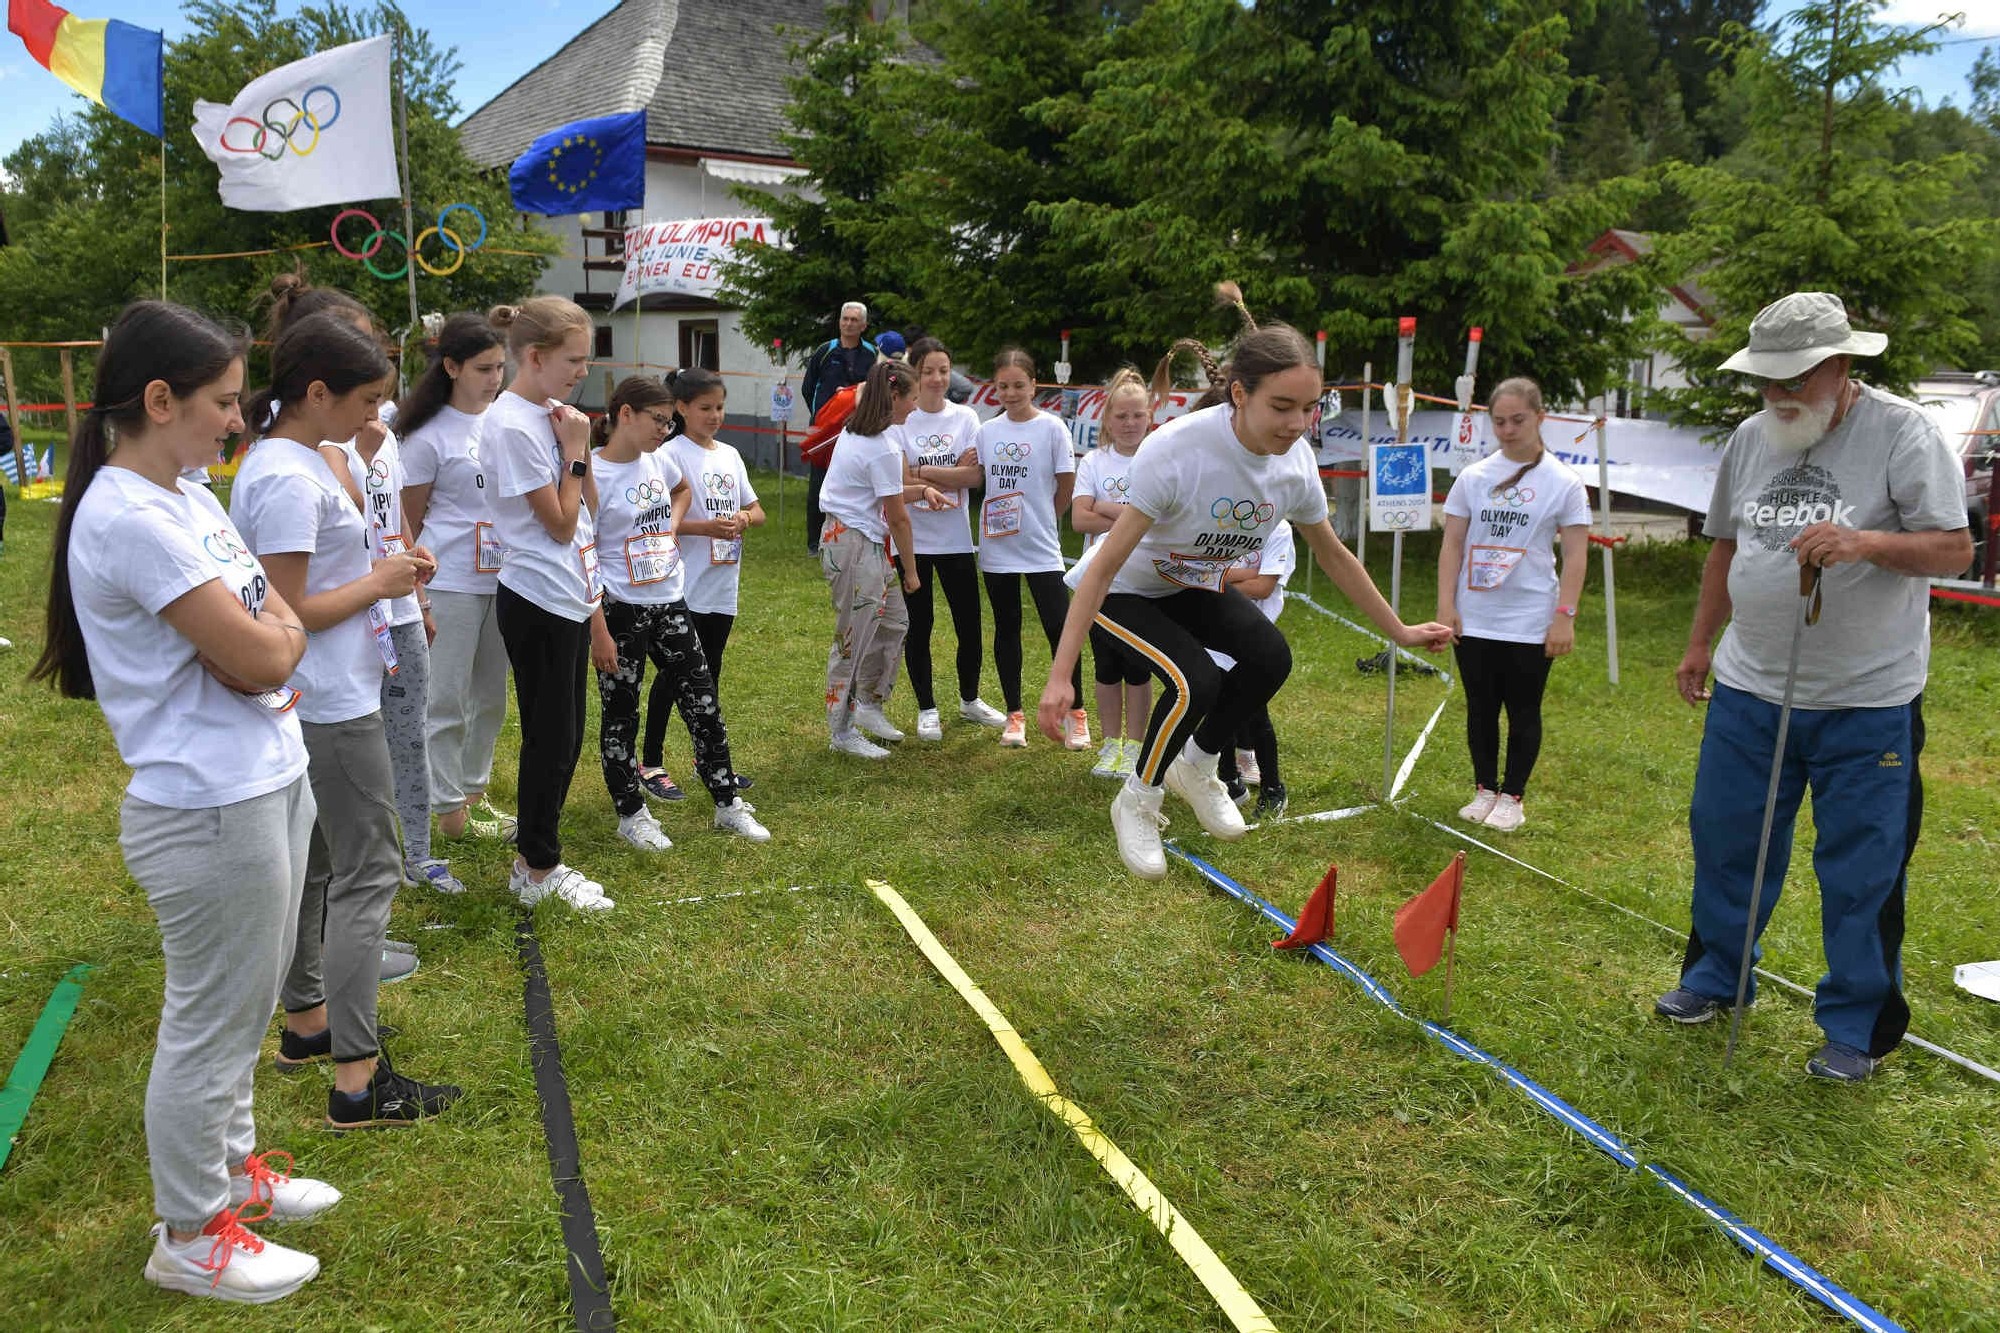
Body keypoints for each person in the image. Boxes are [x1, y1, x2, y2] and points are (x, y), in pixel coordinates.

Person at [31, 301, 334, 1302]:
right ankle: (192, 1231)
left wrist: (275, 643)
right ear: (159, 401)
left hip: (263, 773)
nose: (239, 419)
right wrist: (275, 644)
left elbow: (275, 624)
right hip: (208, 805)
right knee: (211, 1021)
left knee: (245, 1006)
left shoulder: (191, 494)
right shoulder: (131, 517)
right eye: (224, 401)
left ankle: (233, 1175)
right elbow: (268, 646)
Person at [1657, 291, 1971, 1082]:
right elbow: (1725, 548)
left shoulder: (1904, 432)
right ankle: (1716, 976)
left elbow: (1955, 549)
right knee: (1726, 838)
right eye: (1765, 379)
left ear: (1840, 365)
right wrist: (1699, 643)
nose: (1776, 392)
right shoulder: (1751, 437)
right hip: (1749, 688)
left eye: (1792, 377)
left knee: (1863, 868)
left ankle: (1855, 1026)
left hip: (1868, 701)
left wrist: (1863, 542)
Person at [1036, 296, 1451, 881]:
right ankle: (1138, 800)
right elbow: (1102, 567)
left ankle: (1196, 765)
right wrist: (1061, 676)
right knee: (1195, 681)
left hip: (1189, 582)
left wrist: (1400, 631)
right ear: (1239, 394)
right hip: (1121, 589)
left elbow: (1333, 555)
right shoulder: (1176, 451)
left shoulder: (1295, 464)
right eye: (1281, 406)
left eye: (1308, 408)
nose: (1296, 423)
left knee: (1269, 657)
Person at [231, 310, 462, 1129]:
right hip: (329, 705)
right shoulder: (288, 478)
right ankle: (358, 1081)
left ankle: (308, 1023)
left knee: (322, 866)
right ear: (317, 392)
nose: (375, 417)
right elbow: (286, 609)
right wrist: (382, 582)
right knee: (369, 873)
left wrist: (389, 566)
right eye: (366, 400)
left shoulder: (301, 461)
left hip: (331, 693)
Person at [589, 375, 770, 847]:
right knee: (621, 713)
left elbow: (683, 489)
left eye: (669, 422)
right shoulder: (593, 473)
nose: (664, 430)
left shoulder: (659, 460)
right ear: (625, 414)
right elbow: (580, 554)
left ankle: (727, 802)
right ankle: (632, 814)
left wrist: (668, 527)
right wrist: (597, 628)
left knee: (702, 700)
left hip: (670, 600)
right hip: (619, 607)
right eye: (658, 420)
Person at [483, 297, 615, 912]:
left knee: (566, 736)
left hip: (566, 593)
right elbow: (561, 524)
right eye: (574, 360)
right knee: (549, 739)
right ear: (534, 357)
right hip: (536, 596)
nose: (583, 371)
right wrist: (576, 450)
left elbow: (590, 506)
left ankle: (535, 861)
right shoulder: (511, 424)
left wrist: (577, 445)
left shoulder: (552, 416)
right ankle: (537, 868)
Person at [323, 367, 465, 895]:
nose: (378, 411)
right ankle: (362, 859)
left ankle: (418, 854)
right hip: (350, 615)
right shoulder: (327, 446)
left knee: (410, 734)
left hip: (399, 611)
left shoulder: (384, 439)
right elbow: (347, 512)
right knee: (359, 743)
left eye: (381, 398)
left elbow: (394, 516)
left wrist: (420, 593)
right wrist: (361, 452)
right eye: (369, 399)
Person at [1435, 376, 1591, 833]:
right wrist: (1446, 605)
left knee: (1523, 709)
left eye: (1517, 420)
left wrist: (1565, 616)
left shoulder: (1564, 482)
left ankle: (1513, 796)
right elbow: (1452, 544)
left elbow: (1577, 555)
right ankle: (1485, 788)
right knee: (1480, 707)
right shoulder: (1474, 477)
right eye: (1499, 421)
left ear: (1540, 417)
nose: (1507, 430)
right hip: (1475, 615)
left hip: (1531, 617)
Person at [399, 313, 518, 844]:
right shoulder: (428, 436)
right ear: (451, 367)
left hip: (506, 578)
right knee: (445, 697)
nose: (495, 378)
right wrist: (420, 593)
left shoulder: (506, 422)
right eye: (483, 369)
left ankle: (473, 793)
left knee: (491, 697)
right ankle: (447, 808)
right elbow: (408, 522)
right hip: (450, 582)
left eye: (499, 367)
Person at [640, 366, 766, 801]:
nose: (714, 416)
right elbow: (659, 521)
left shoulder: (729, 455)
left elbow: (757, 510)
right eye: (705, 408)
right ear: (681, 408)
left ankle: (707, 759)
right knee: (673, 676)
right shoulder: (669, 454)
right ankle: (650, 762)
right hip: (682, 586)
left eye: (720, 407)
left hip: (722, 585)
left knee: (709, 675)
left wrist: (743, 517)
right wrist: (705, 528)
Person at [820, 358, 945, 757]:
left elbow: (884, 489)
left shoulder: (861, 433)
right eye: (912, 397)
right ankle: (841, 732)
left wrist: (921, 489)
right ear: (894, 395)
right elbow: (898, 517)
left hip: (859, 543)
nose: (915, 405)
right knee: (852, 639)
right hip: (853, 545)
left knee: (893, 623)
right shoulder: (881, 446)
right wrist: (911, 571)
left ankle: (868, 705)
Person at [899, 336, 1008, 741]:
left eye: (943, 370)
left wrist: (922, 472)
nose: (937, 378)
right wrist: (945, 474)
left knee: (969, 624)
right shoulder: (902, 420)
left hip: (956, 539)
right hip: (912, 541)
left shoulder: (965, 418)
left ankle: (970, 699)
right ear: (914, 374)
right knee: (919, 625)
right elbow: (899, 482)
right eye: (928, 371)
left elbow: (974, 477)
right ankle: (927, 708)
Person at [975, 348, 1083, 748]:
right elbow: (978, 475)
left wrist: (1046, 518)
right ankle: (1014, 715)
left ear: (1034, 385)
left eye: (1019, 385)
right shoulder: (987, 431)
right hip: (998, 547)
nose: (1011, 393)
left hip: (1041, 546)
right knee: (1007, 628)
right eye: (1003, 386)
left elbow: (1066, 484)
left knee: (1060, 628)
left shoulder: (1052, 429)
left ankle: (1076, 714)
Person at [1070, 368, 1155, 780]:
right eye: (1121, 416)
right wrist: (1132, 517)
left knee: (1138, 668)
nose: (1129, 423)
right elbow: (1079, 520)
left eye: (1137, 415)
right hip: (1100, 581)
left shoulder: (1157, 459)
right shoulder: (1094, 461)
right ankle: (1110, 744)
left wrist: (1104, 508)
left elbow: (1161, 523)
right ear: (1107, 418)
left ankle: (1136, 746)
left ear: (1149, 416)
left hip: (1145, 580)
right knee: (1106, 666)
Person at [1211, 517, 1296, 822]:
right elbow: (1203, 575)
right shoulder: (1220, 518)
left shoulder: (1279, 528)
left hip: (1255, 634)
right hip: (1216, 626)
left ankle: (1273, 788)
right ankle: (1229, 780)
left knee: (1255, 711)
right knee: (1219, 707)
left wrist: (1221, 579)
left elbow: (1263, 587)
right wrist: (1242, 575)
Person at [802, 301, 878, 555]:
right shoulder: (825, 351)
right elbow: (808, 387)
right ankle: (814, 542)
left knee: (856, 481)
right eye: (845, 319)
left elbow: (876, 389)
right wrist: (820, 416)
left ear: (864, 325)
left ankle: (855, 533)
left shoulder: (872, 354)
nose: (848, 324)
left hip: (858, 429)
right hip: (824, 429)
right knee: (818, 483)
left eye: (854, 320)